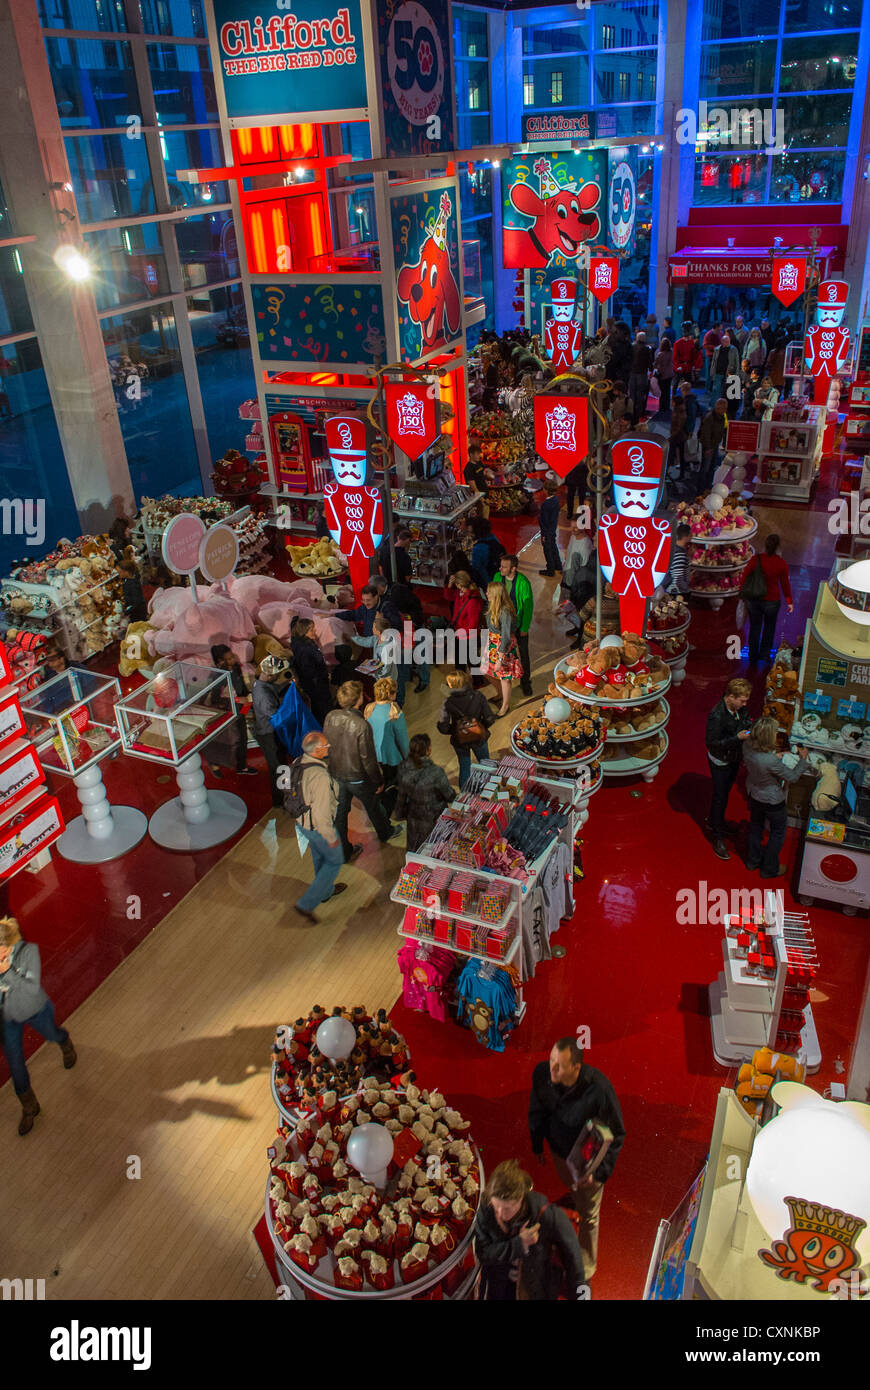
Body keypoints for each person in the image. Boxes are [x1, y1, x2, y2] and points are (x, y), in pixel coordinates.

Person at [528, 1037, 625, 1282]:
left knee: (590, 1216)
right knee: (571, 1187)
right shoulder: (542, 1075)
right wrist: (537, 1143)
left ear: (576, 1068)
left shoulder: (599, 1089)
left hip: (588, 1166)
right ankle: (575, 1195)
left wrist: (598, 1174)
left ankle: (587, 1265)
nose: (552, 1070)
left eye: (559, 1065)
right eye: (551, 1061)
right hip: (560, 1154)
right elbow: (536, 1109)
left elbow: (618, 1134)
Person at [0, 915, 76, 1135]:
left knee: (51, 1033)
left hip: (34, 1009)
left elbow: (31, 988)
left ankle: (65, 1042)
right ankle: (29, 1106)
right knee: (15, 1063)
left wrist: (7, 972)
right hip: (9, 1017)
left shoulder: (28, 953)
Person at [473, 1158, 586, 1301]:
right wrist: (518, 1244)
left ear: (521, 1198)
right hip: (497, 1288)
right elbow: (483, 1253)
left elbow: (575, 1264)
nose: (500, 1215)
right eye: (496, 1207)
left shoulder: (547, 1215)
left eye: (507, 1208)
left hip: (533, 1290)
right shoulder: (485, 1208)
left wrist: (583, 1296)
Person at [323, 680, 402, 861]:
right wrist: (378, 780)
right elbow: (368, 758)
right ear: (358, 699)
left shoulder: (330, 717)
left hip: (336, 772)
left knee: (340, 814)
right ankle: (385, 832)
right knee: (373, 806)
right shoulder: (361, 725)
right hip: (358, 777)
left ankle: (344, 851)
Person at [288, 730, 347, 923]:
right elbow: (322, 813)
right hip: (319, 828)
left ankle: (326, 891)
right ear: (316, 750)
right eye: (326, 745)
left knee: (319, 857)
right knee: (335, 860)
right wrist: (330, 837)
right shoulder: (319, 776)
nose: (328, 747)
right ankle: (307, 904)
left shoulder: (298, 762)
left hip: (303, 824)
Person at [743, 718, 811, 879]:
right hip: (772, 800)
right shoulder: (770, 760)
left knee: (755, 827)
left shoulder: (747, 746)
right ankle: (769, 869)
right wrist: (803, 760)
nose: (776, 734)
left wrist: (777, 754)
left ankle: (752, 861)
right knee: (778, 832)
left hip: (754, 793)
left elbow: (761, 759)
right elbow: (793, 777)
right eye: (774, 732)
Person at [705, 676, 752, 861]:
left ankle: (717, 822)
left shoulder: (739, 709)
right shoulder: (716, 715)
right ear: (731, 696)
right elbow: (712, 743)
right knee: (720, 796)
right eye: (742, 700)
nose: (745, 703)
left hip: (733, 758)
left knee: (724, 794)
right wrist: (738, 738)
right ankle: (717, 834)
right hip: (720, 761)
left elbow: (746, 720)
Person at [437, 668, 495, 789]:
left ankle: (465, 796)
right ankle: (490, 790)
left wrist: (456, 731)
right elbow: (490, 718)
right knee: (486, 763)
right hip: (479, 737)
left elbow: (443, 727)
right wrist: (479, 727)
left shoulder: (447, 702)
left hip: (460, 741)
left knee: (464, 766)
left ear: (451, 685)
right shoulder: (478, 696)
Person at [394, 733, 453, 850]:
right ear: (428, 750)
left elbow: (401, 795)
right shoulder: (436, 772)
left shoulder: (403, 768)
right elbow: (449, 795)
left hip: (414, 816)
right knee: (436, 849)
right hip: (434, 817)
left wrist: (400, 813)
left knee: (416, 848)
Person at [742, 534, 793, 667]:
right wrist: (789, 602)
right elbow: (785, 584)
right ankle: (765, 655)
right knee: (769, 628)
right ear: (778, 547)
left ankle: (752, 656)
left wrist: (742, 595)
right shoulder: (781, 563)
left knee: (754, 627)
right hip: (772, 601)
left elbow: (745, 577)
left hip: (754, 600)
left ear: (765, 545)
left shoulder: (755, 559)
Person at [209, 644, 257, 778]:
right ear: (220, 661)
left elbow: (241, 686)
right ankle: (214, 762)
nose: (233, 660)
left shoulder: (236, 668)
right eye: (229, 658)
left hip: (239, 711)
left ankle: (241, 766)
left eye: (232, 656)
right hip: (227, 714)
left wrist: (248, 697)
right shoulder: (218, 676)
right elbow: (215, 699)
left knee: (242, 739)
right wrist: (236, 700)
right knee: (228, 741)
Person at [252, 654, 293, 807]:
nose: (278, 677)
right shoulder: (264, 696)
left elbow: (275, 688)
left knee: (279, 765)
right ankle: (281, 801)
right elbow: (275, 716)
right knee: (278, 767)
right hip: (269, 735)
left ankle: (284, 796)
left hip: (269, 732)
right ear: (269, 675)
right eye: (276, 674)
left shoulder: (260, 684)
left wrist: (288, 684)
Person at [364, 676, 409, 817]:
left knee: (383, 784)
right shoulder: (395, 713)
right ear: (390, 694)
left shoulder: (369, 709)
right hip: (393, 757)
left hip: (376, 756)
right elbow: (403, 740)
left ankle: (385, 811)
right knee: (401, 785)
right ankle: (400, 811)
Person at [495, 554, 533, 697]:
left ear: (513, 568)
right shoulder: (498, 577)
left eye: (504, 567)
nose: (500, 569)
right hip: (503, 625)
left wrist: (524, 628)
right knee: (503, 652)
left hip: (517, 625)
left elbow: (528, 607)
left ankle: (526, 683)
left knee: (523, 654)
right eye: (501, 566)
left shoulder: (523, 582)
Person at [290, 617, 332, 725]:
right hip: (317, 688)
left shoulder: (297, 641)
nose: (315, 631)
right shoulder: (305, 648)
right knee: (321, 713)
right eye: (311, 629)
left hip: (314, 684)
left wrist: (294, 618)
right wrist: (323, 676)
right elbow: (308, 670)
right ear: (304, 631)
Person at [444, 570, 484, 664]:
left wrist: (460, 633)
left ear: (459, 584)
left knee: (473, 666)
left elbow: (473, 624)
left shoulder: (473, 599)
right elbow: (448, 597)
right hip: (460, 634)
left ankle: (474, 679)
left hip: (469, 637)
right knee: (459, 663)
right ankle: (460, 679)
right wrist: (449, 585)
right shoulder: (460, 593)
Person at [698, 398, 728, 491]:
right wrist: (708, 448)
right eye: (723, 408)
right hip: (709, 446)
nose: (725, 410)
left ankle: (708, 485)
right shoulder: (710, 418)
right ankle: (701, 488)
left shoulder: (721, 417)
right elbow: (705, 434)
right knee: (705, 468)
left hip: (714, 445)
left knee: (712, 467)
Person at [469, 516, 505, 590]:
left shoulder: (478, 548)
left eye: (472, 532)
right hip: (499, 577)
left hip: (487, 583)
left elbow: (477, 568)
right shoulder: (494, 538)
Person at [627, 331, 653, 423]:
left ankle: (632, 411)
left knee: (632, 393)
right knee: (640, 394)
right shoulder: (647, 349)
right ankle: (640, 412)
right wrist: (651, 369)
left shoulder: (632, 346)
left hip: (632, 372)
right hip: (642, 373)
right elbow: (650, 362)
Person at [537, 482, 562, 578]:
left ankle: (550, 569)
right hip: (553, 529)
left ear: (546, 490)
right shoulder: (556, 500)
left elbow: (545, 521)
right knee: (553, 547)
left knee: (547, 550)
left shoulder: (546, 504)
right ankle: (558, 565)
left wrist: (544, 534)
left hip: (547, 531)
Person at [464, 442, 493, 518]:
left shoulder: (479, 463)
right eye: (477, 454)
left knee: (486, 515)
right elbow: (473, 486)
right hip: (479, 499)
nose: (479, 456)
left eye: (479, 453)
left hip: (485, 494)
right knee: (481, 518)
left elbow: (483, 473)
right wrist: (481, 499)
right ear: (471, 455)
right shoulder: (468, 469)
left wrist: (490, 476)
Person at [709, 333, 739, 402]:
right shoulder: (717, 349)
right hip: (718, 372)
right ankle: (715, 407)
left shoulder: (733, 349)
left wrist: (737, 374)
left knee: (727, 393)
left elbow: (737, 362)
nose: (728, 343)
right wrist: (712, 373)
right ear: (722, 342)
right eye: (726, 341)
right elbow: (714, 362)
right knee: (716, 391)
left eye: (728, 341)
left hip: (728, 373)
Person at [117, 559, 148, 623]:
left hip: (138, 613)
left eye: (120, 572)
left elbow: (137, 602)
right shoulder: (131, 580)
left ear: (126, 572)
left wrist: (126, 613)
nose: (118, 574)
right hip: (136, 610)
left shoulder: (133, 584)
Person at [664, 522, 692, 593]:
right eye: (691, 534)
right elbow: (678, 579)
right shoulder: (679, 553)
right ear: (687, 536)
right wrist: (686, 589)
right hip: (675, 591)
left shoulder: (672, 548)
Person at [653, 337, 674, 412]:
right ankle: (667, 406)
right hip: (670, 374)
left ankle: (662, 407)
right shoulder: (671, 352)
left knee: (662, 391)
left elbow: (656, 364)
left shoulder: (660, 354)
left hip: (662, 374)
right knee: (667, 391)